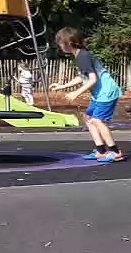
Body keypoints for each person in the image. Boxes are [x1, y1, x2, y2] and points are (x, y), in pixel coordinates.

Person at [50, 27, 124, 163]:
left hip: (106, 93)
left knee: (97, 121)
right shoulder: (79, 56)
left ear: (69, 43)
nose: (59, 45)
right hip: (99, 93)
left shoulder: (83, 56)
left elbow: (93, 79)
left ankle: (115, 152)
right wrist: (63, 86)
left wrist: (76, 93)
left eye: (60, 42)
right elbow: (82, 77)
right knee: (89, 119)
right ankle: (101, 151)